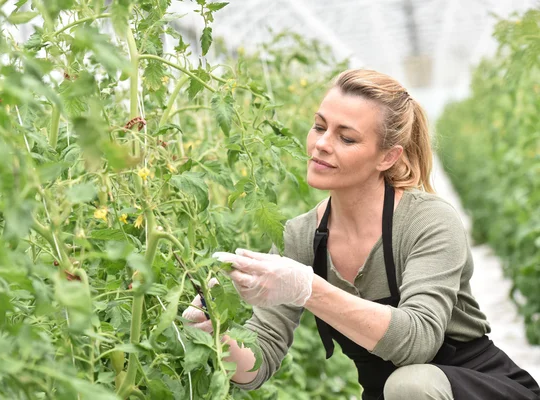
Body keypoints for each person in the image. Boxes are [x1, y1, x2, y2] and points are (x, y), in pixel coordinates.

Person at [181, 69, 540, 400]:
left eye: (346, 138)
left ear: (387, 156)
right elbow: (260, 360)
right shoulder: (302, 236)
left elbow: (418, 341)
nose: (321, 144)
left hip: (476, 386)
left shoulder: (428, 222)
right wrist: (218, 335)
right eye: (319, 127)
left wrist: (309, 288)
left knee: (410, 385)